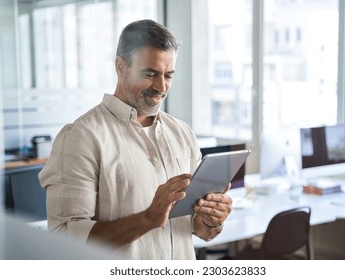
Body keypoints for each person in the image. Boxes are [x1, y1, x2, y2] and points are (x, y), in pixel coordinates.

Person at [38, 19, 233, 260]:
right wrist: (148, 219)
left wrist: (211, 220)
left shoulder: (182, 133)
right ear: (121, 67)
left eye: (168, 75)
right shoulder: (81, 137)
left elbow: (198, 229)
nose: (161, 86)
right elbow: (64, 238)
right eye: (150, 74)